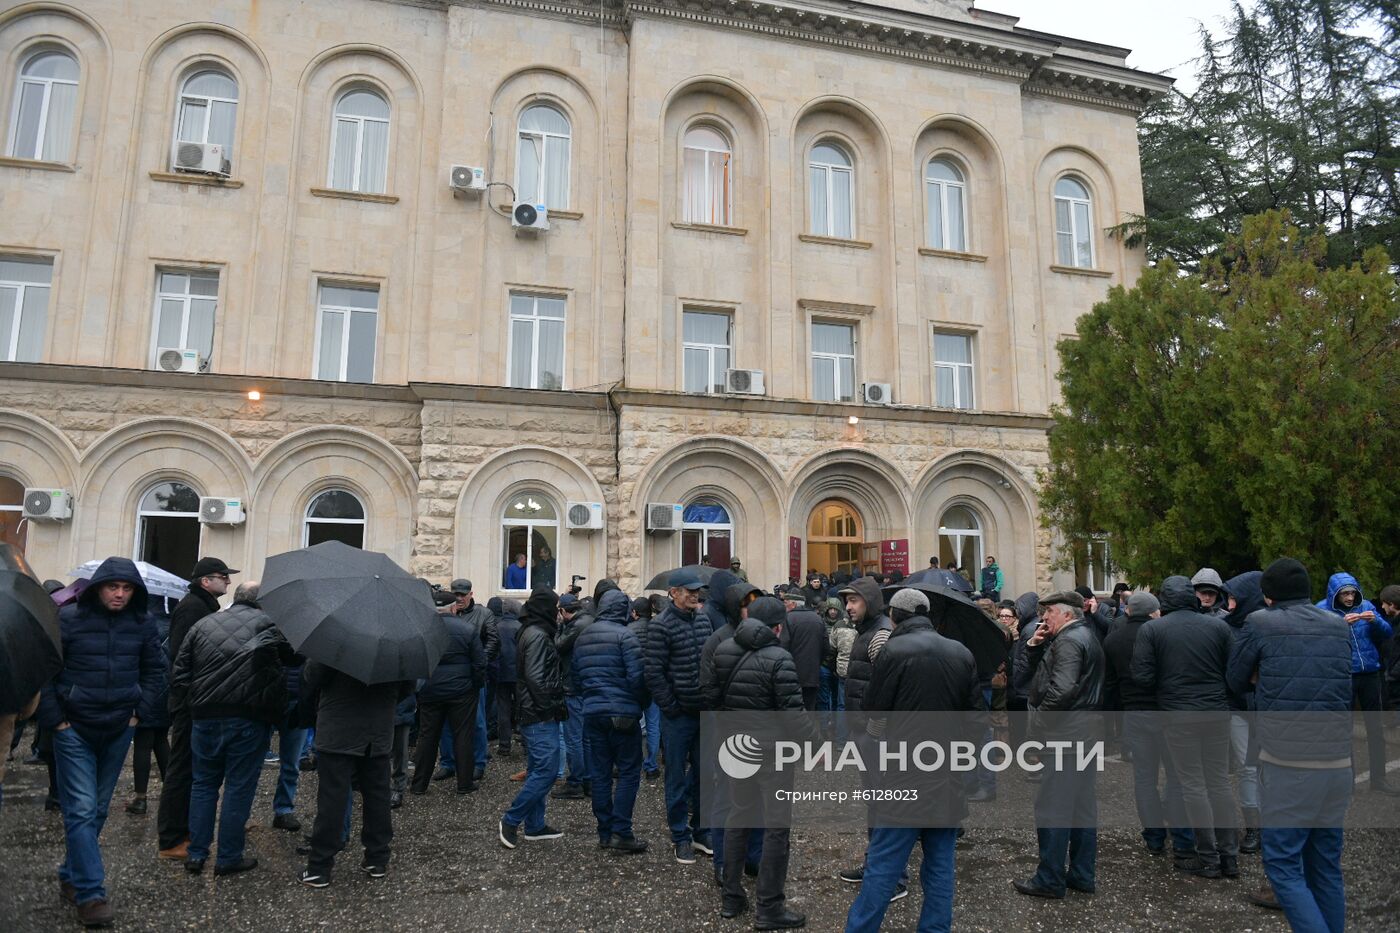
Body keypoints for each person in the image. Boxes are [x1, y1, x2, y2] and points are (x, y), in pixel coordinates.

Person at [845, 588, 984, 933]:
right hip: (947, 776)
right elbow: (975, 720)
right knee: (940, 867)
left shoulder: (893, 650)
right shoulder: (961, 652)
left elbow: (873, 709)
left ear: (895, 615)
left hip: (903, 776)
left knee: (883, 864)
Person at [1228, 558, 1354, 933]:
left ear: (1267, 595)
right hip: (1338, 761)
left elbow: (1235, 679)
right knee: (1325, 867)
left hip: (1288, 762)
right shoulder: (1337, 625)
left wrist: (1259, 676)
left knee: (1283, 867)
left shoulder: (1260, 623)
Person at [38, 557, 164, 928]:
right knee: (80, 808)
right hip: (73, 728)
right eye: (113, 587)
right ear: (98, 587)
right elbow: (47, 670)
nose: (120, 594)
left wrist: (137, 713)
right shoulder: (69, 619)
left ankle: (70, 873)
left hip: (118, 727)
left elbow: (155, 671)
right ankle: (91, 894)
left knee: (99, 810)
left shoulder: (143, 624)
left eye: (127, 589)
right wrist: (55, 721)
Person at [172, 581, 293, 876]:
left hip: (204, 717)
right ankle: (227, 856)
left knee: (203, 785)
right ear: (262, 602)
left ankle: (197, 854)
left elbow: (179, 672)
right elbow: (295, 659)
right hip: (248, 718)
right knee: (239, 787)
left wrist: (193, 705)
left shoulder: (203, 624)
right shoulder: (269, 625)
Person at [703, 596, 807, 929]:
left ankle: (732, 898)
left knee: (738, 818)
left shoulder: (723, 649)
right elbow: (794, 716)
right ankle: (770, 907)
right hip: (772, 753)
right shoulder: (780, 658)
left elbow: (710, 698)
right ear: (778, 627)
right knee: (777, 828)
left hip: (736, 747)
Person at [1130, 577, 1237, 877]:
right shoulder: (1218, 627)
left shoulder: (1152, 629)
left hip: (1178, 715)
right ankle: (1229, 856)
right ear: (1191, 596)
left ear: (1164, 599)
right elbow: (1234, 670)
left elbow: (1142, 677)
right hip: (1215, 711)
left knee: (1193, 785)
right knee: (1218, 783)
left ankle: (1208, 859)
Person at [1012, 590, 1104, 899]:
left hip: (1067, 734)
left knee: (1053, 807)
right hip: (1085, 732)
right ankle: (1081, 874)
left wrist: (1038, 721)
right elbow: (1039, 677)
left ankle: (1050, 878)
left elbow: (1062, 689)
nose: (1043, 617)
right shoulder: (1082, 636)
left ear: (1066, 613)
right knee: (1081, 807)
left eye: (1048, 612)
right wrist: (1035, 646)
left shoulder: (1068, 640)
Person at [1103, 591, 1193, 860]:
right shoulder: (1163, 633)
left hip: (1135, 714)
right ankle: (1182, 839)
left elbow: (1109, 683)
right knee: (1176, 777)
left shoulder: (1113, 639)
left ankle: (1153, 838)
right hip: (1166, 712)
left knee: (1144, 780)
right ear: (1155, 612)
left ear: (1128, 611)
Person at [158, 556, 236, 860]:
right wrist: (192, 696)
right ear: (206, 581)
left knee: (191, 769)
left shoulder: (202, 606)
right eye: (223, 576)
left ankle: (184, 832)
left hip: (194, 700)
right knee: (181, 769)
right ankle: (171, 839)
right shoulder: (193, 608)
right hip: (190, 703)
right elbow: (183, 657)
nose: (227, 581)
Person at [644, 569, 714, 864]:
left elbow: (710, 661)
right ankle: (680, 836)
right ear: (674, 593)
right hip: (677, 716)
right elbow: (653, 673)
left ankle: (702, 831)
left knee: (705, 775)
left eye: (697, 591)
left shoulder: (703, 620)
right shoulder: (660, 626)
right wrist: (671, 707)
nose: (695, 595)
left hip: (703, 712)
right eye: (689, 591)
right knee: (675, 777)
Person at [835, 577, 898, 893]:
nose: (848, 607)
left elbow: (889, 687)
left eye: (854, 600)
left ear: (870, 602)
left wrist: (875, 731)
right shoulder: (866, 632)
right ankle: (877, 865)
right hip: (864, 731)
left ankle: (891, 877)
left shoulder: (880, 635)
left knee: (884, 804)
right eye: (846, 601)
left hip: (876, 736)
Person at [575, 588, 649, 854]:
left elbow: (576, 676)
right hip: (623, 713)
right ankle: (622, 831)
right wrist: (640, 704)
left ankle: (605, 832)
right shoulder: (625, 636)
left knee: (600, 774)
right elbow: (637, 678)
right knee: (629, 773)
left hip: (593, 712)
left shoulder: (583, 637)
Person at [499, 586, 567, 849]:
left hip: (533, 712)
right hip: (539, 715)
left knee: (539, 770)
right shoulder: (538, 635)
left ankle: (536, 826)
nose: (558, 612)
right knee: (547, 772)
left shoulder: (531, 631)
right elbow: (537, 678)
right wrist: (550, 708)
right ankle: (511, 819)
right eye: (555, 606)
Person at [1316, 571, 1396, 795]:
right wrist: (1340, 625)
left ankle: (1379, 779)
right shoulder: (1322, 609)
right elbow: (1318, 642)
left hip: (1370, 673)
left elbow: (1387, 632)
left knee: (1375, 729)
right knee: (1344, 730)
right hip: (1343, 675)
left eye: (1352, 593)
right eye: (1345, 594)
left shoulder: (1366, 605)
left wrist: (1376, 620)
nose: (1350, 598)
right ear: (1335, 594)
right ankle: (1346, 782)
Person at [409, 585, 486, 797]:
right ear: (454, 608)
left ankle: (418, 784)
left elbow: (415, 660)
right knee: (463, 735)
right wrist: (474, 685)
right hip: (461, 691)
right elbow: (479, 663)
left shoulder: (423, 630)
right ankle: (464, 783)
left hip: (430, 689)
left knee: (427, 737)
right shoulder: (467, 629)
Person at [556, 583, 613, 799]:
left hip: (574, 686)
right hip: (588, 685)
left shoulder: (575, 626)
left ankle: (576, 781)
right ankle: (589, 779)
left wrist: (560, 626)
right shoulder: (590, 620)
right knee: (586, 738)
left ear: (564, 611)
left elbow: (559, 645)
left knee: (574, 738)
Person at [125, 603, 171, 816]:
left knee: (143, 745)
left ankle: (141, 798)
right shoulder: (172, 625)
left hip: (146, 690)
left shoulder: (141, 625)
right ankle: (170, 794)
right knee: (162, 740)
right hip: (167, 691)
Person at [779, 586, 826, 711]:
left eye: (786, 603)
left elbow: (783, 647)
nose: (784, 606)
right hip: (813, 675)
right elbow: (826, 647)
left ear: (793, 604)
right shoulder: (818, 619)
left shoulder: (788, 619)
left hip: (792, 676)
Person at [493, 598, 522, 755]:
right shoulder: (520, 627)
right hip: (518, 674)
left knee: (503, 709)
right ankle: (525, 743)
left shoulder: (496, 627)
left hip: (501, 673)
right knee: (522, 708)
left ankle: (504, 745)